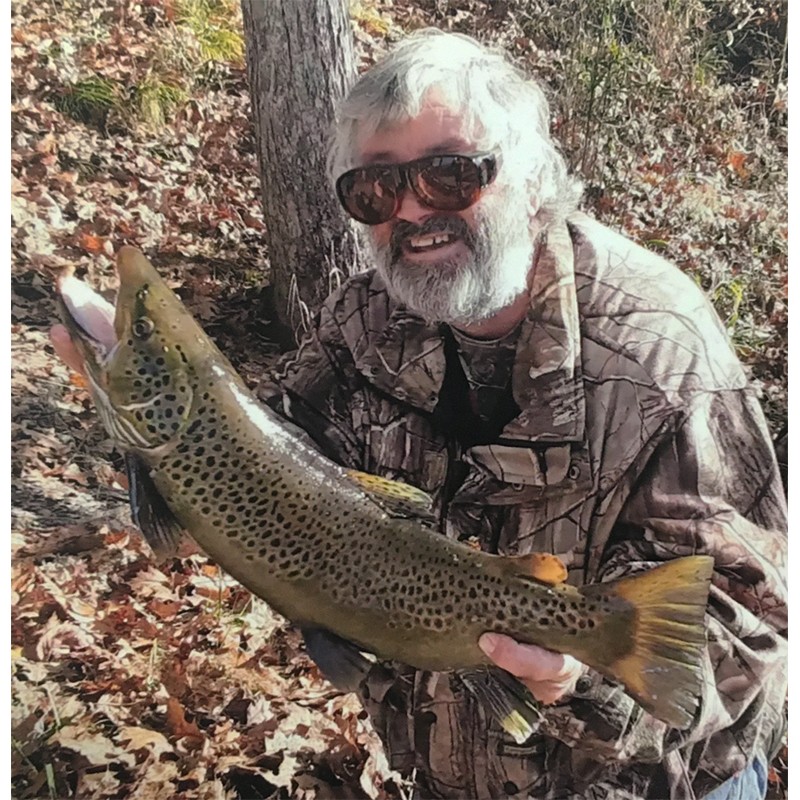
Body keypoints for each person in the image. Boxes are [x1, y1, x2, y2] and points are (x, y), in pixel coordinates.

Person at [52, 29, 787, 800]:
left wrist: (577, 675)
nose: (412, 210)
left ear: (533, 178)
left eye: (449, 173)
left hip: (656, 781)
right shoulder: (365, 317)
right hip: (446, 767)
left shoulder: (662, 354)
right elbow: (259, 456)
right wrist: (128, 399)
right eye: (376, 190)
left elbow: (746, 626)